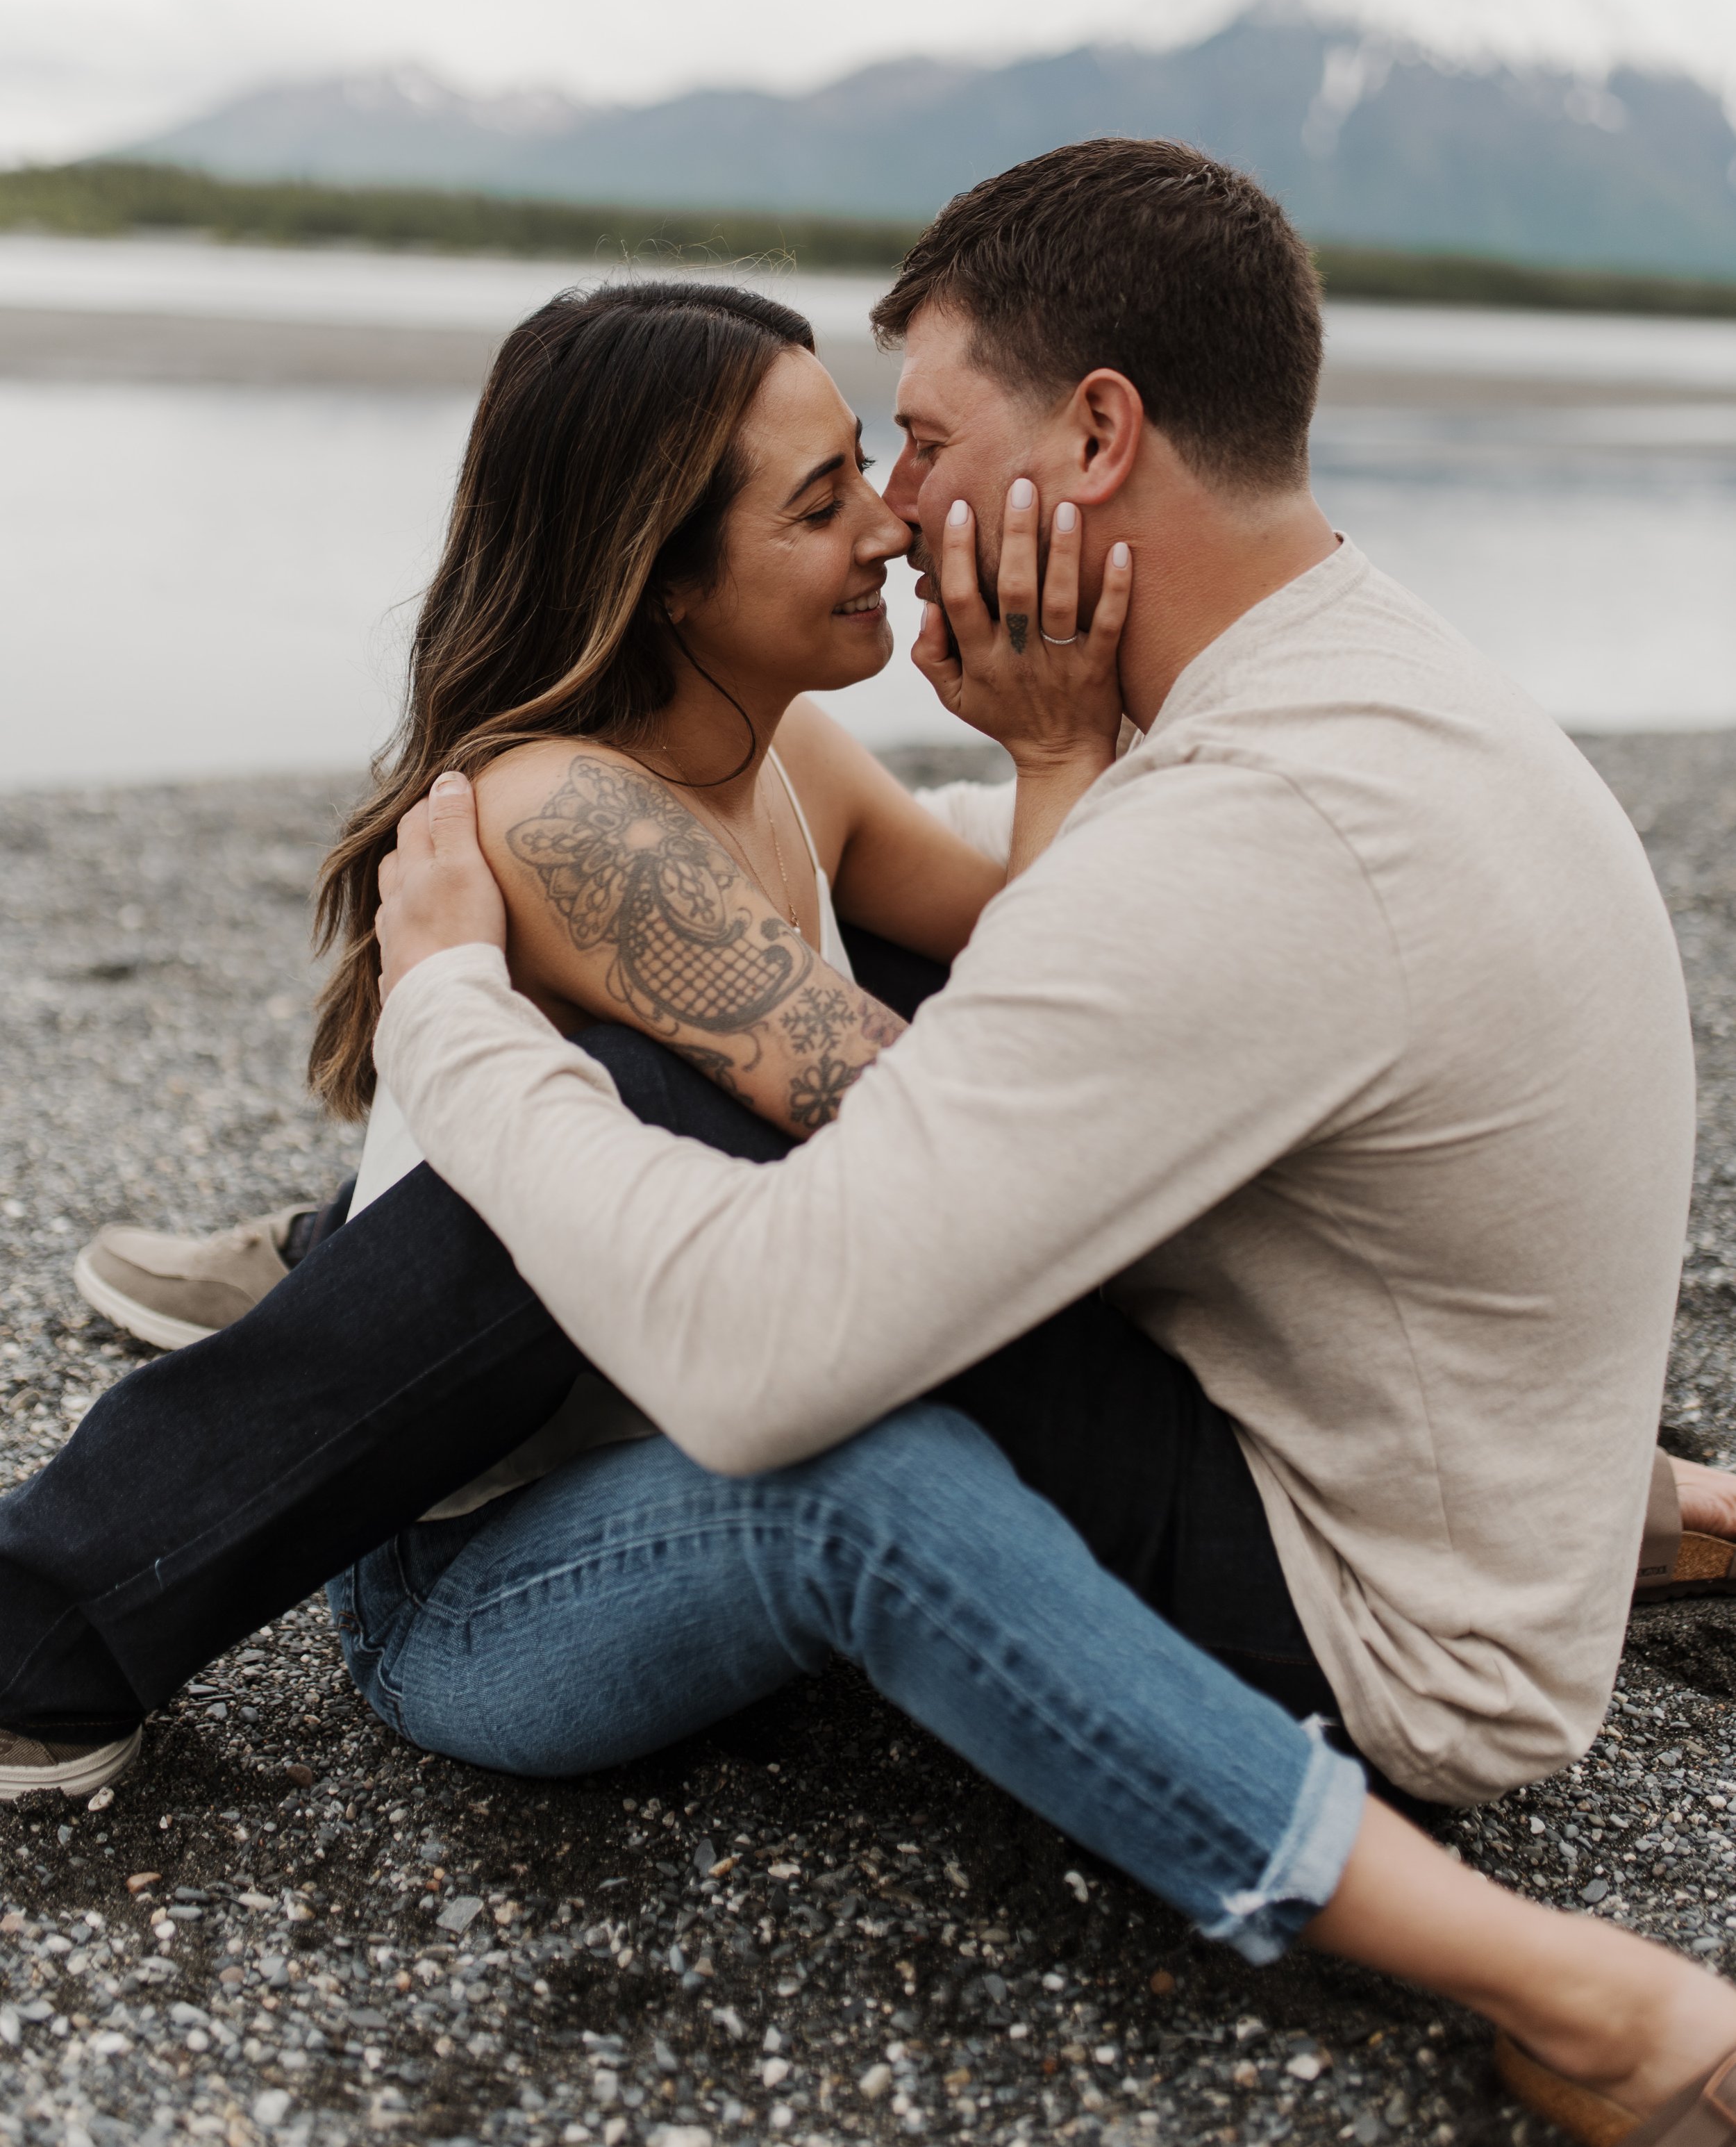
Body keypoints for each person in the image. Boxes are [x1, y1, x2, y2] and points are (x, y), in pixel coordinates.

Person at [1, 140, 1733, 2144]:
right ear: (664, 568)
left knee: (799, 1161)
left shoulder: (860, 761)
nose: (897, 521)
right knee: (711, 1159)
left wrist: (1057, 754)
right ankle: (96, 1567)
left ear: (1097, 433)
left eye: (898, 448)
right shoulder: (575, 806)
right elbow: (933, 1114)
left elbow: (1003, 1040)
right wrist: (460, 1007)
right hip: (475, 1565)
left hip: (717, 1406)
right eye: (833, 491)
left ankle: (308, 1270)